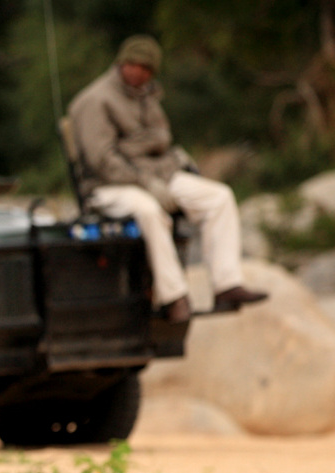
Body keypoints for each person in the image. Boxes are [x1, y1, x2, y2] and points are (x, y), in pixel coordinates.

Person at [67, 35, 268, 322]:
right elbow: (103, 161)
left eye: (147, 68)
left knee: (218, 196)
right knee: (150, 211)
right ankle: (174, 296)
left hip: (157, 173)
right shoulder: (94, 101)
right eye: (134, 65)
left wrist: (177, 164)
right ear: (122, 63)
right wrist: (145, 182)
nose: (139, 72)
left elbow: (161, 141)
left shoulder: (147, 95)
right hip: (108, 187)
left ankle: (227, 284)